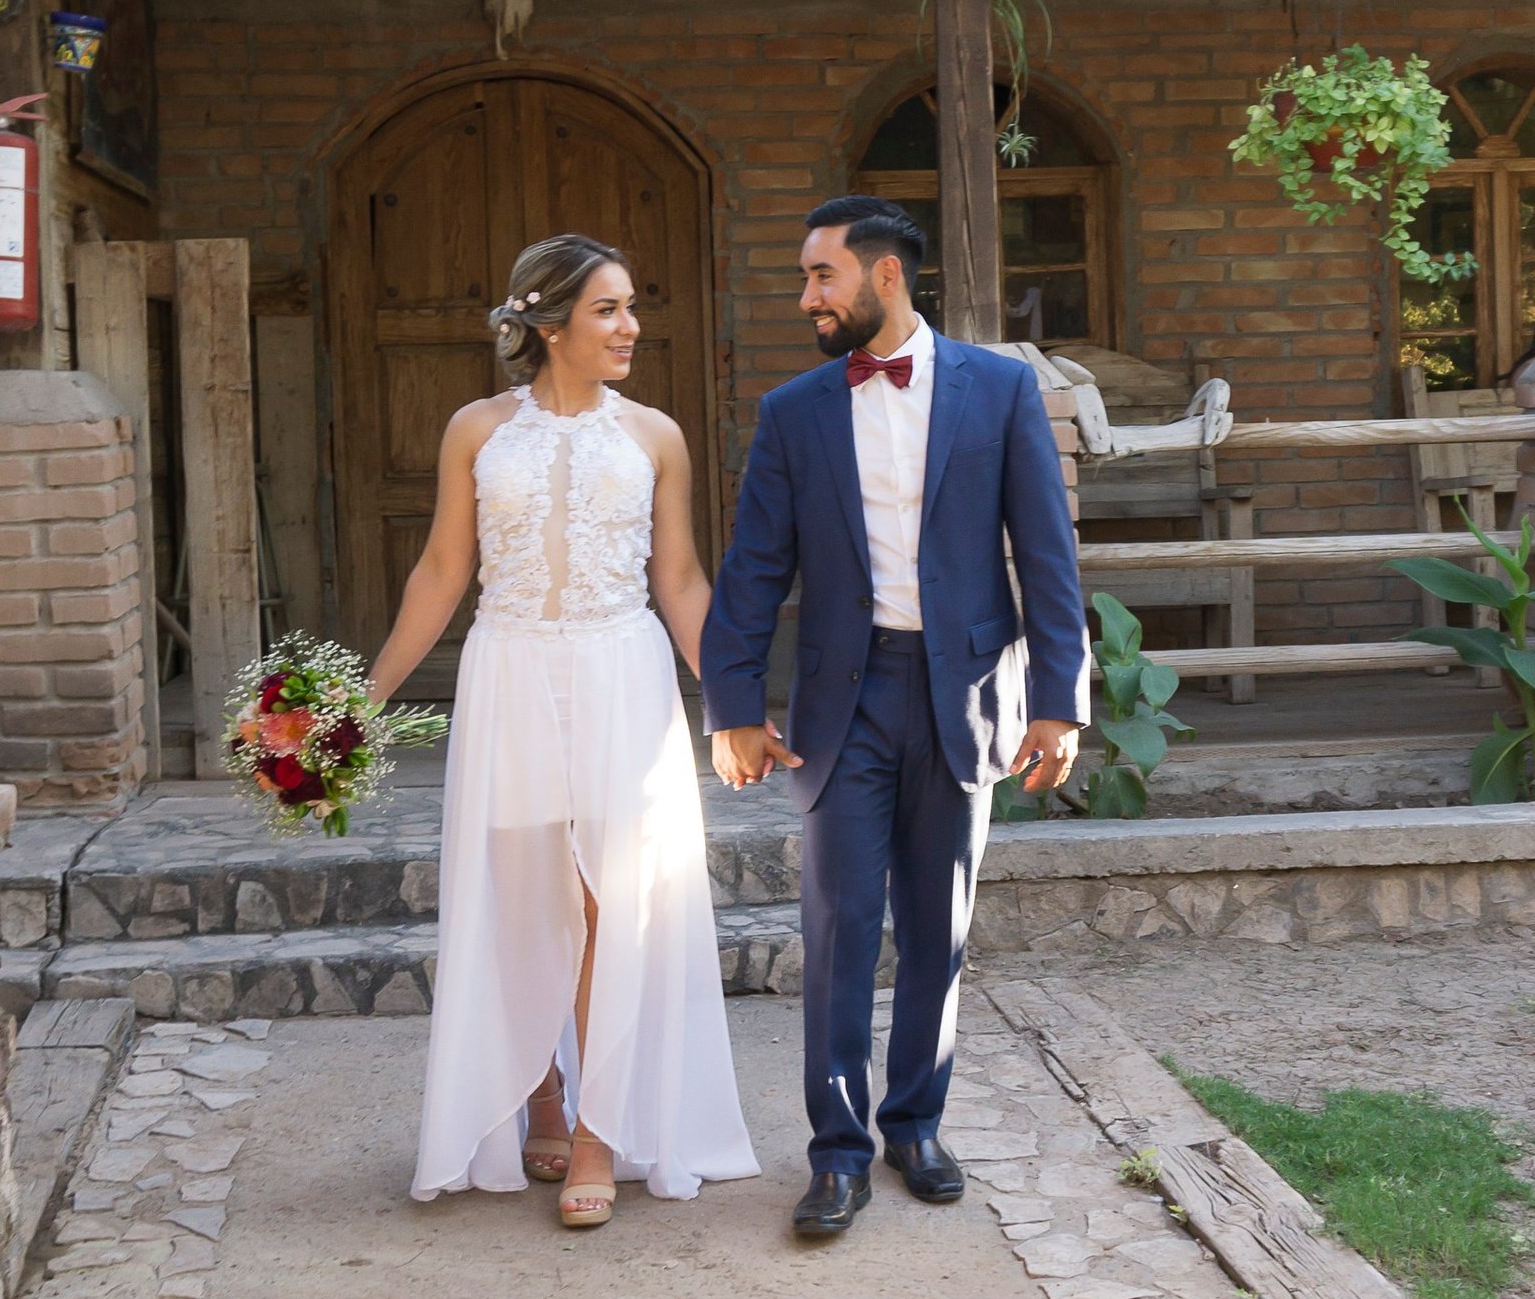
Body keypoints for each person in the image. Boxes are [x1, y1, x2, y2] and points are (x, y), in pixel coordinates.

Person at [701, 195, 1089, 1244]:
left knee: (938, 930)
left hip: (964, 696)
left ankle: (916, 1126)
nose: (806, 298)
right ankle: (836, 1155)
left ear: (882, 277)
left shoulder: (1000, 390)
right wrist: (733, 705)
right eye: (803, 278)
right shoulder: (794, 411)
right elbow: (750, 575)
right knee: (835, 930)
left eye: (820, 276)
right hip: (845, 701)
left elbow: (1045, 556)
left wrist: (1059, 701)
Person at [370, 232, 756, 1225]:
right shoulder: (475, 429)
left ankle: (596, 1128)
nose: (631, 326)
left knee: (598, 897)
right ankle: (537, 1088)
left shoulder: (656, 435)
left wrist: (736, 702)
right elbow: (442, 571)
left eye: (631, 307)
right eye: (608, 310)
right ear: (547, 323)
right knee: (520, 885)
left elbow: (678, 580)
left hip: (619, 674)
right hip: (509, 670)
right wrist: (363, 697)